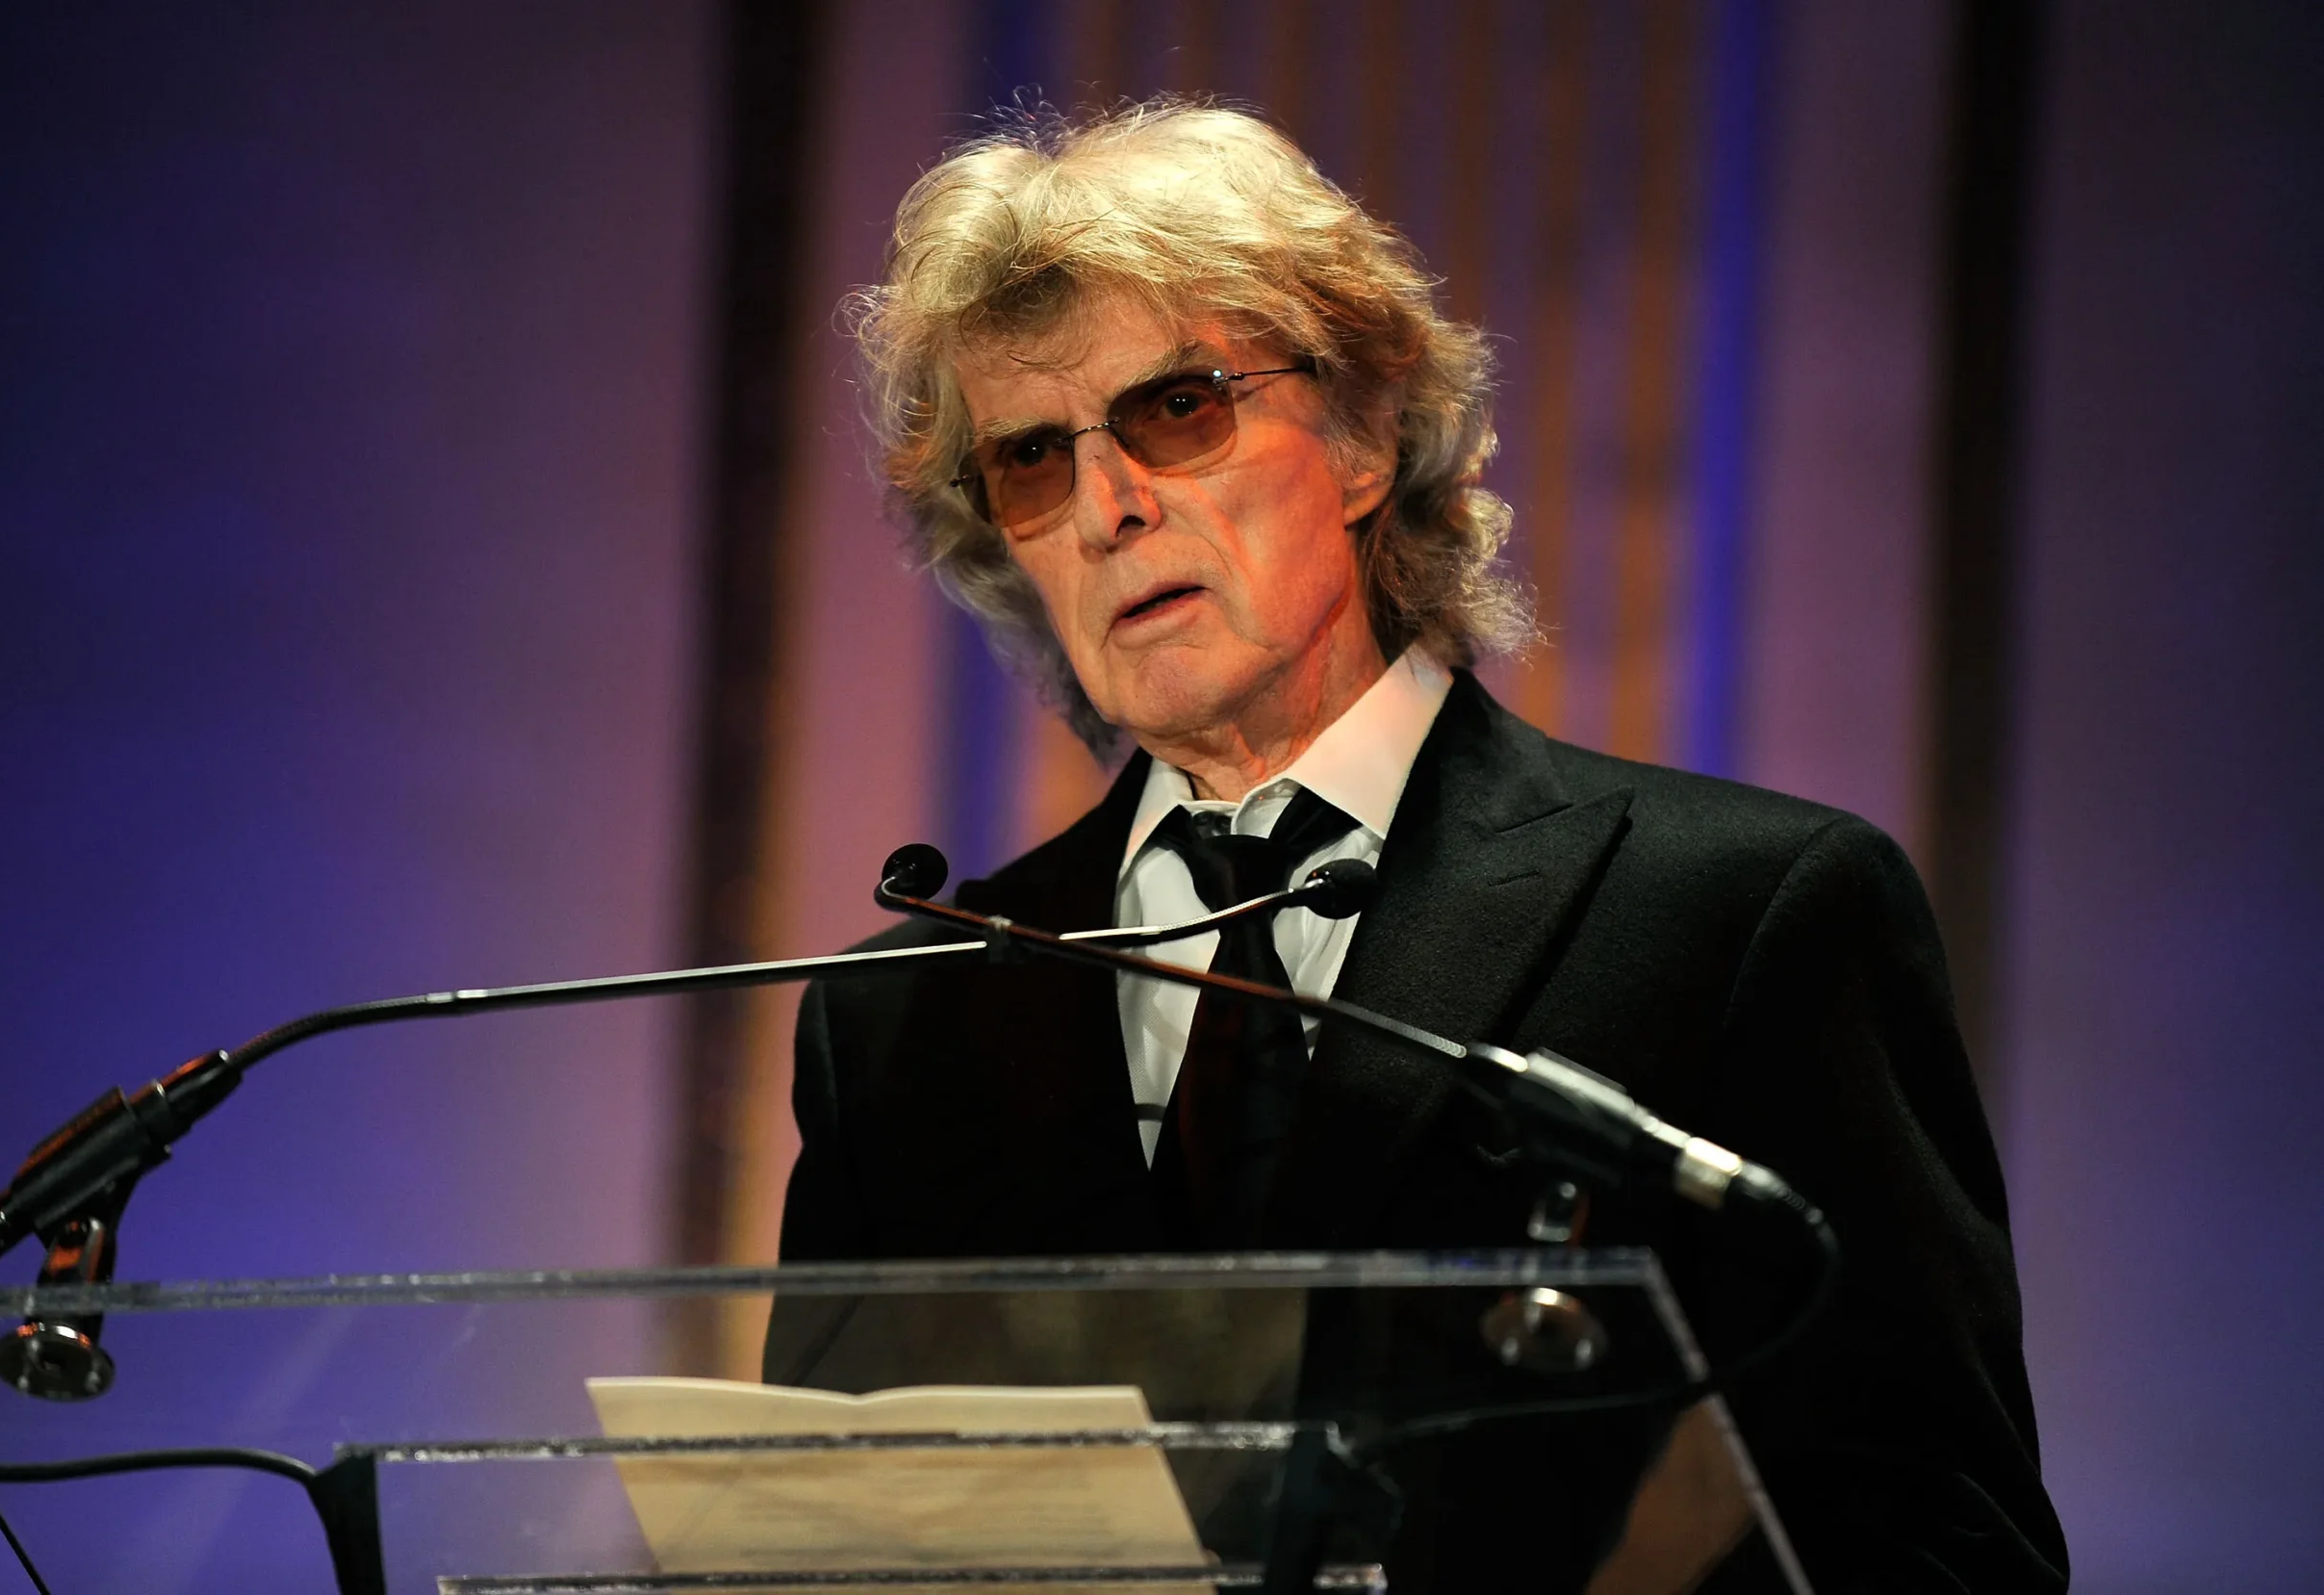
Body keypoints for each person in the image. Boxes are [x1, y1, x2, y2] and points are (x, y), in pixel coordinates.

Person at [769, 100, 2066, 1591]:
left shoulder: (1746, 916)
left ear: (1369, 433)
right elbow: (812, 1546)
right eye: (1031, 462)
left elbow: (1944, 1550)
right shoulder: (901, 1017)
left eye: (1178, 407)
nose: (1111, 506)